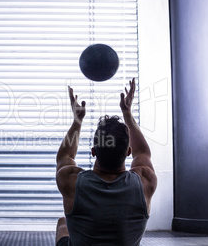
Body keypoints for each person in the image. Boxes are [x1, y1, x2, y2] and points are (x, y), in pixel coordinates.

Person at [55, 78, 157, 246]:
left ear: (93, 152)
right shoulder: (146, 181)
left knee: (62, 223)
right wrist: (127, 113)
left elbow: (65, 157)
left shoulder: (71, 181)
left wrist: (78, 120)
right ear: (128, 152)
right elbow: (143, 152)